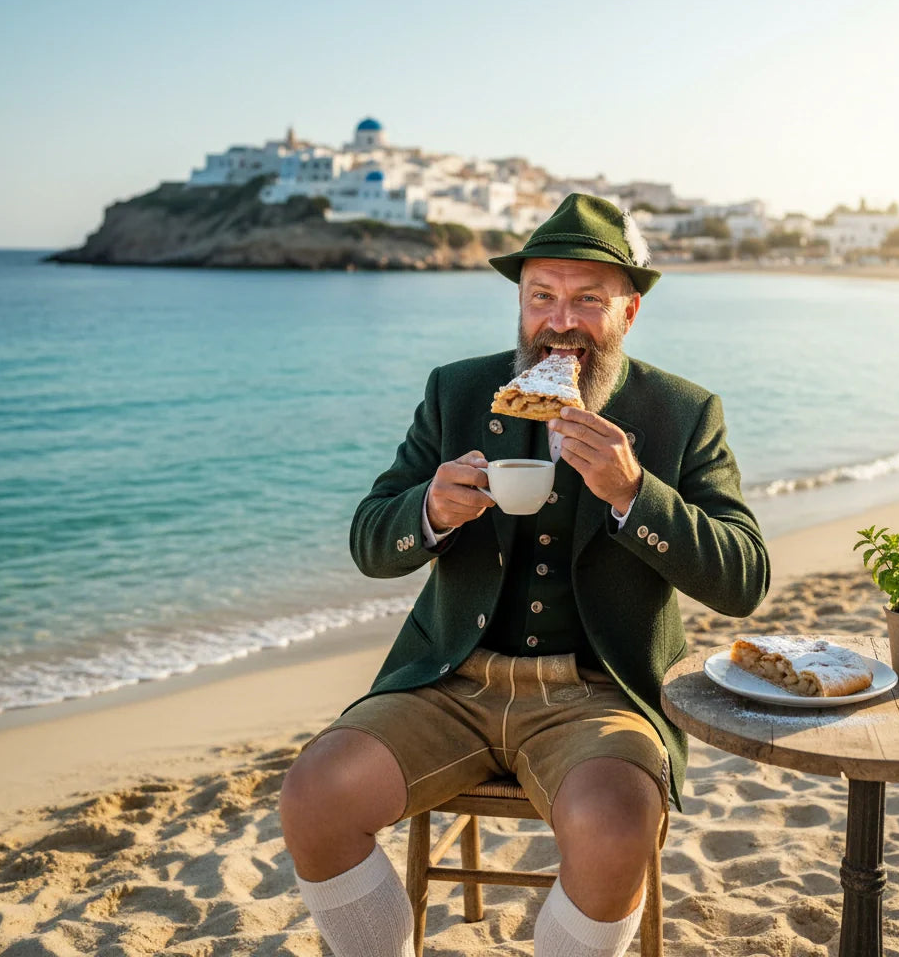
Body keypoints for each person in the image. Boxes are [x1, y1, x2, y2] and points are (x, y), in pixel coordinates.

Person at [280, 193, 770, 956]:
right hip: (449, 681)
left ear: (629, 314)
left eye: (586, 301)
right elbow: (370, 542)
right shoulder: (459, 390)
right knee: (312, 796)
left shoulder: (681, 412)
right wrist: (431, 511)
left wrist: (634, 493)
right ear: (521, 300)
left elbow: (744, 580)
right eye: (542, 296)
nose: (560, 322)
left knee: (614, 830)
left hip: (601, 693)